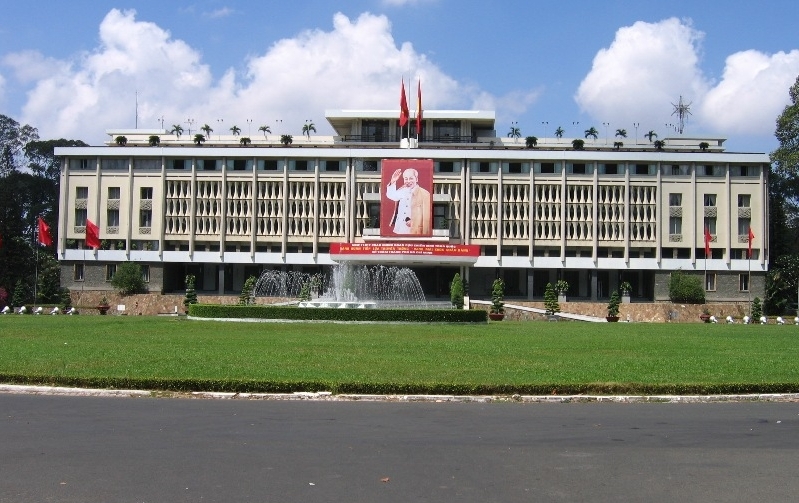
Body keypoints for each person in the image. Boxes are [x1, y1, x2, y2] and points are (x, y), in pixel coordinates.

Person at [385, 167, 431, 235]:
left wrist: (414, 221)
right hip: (401, 228)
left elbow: (427, 215)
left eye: (411, 178)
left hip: (416, 229)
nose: (408, 181)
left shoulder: (424, 194)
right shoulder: (402, 190)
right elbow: (391, 196)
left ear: (416, 179)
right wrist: (393, 181)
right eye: (406, 179)